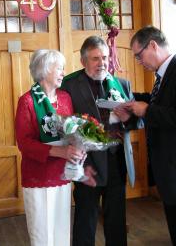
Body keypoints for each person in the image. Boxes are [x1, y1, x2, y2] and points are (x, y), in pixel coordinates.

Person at [62, 35, 139, 246]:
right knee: (86, 220)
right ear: (83, 61)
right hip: (88, 164)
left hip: (117, 162)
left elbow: (137, 123)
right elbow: (64, 129)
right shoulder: (69, 85)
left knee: (116, 220)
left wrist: (127, 119)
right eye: (95, 58)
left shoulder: (121, 83)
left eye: (105, 57)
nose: (102, 63)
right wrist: (82, 164)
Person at [15, 49, 85, 246]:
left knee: (62, 231)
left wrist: (79, 145)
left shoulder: (65, 98)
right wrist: (60, 151)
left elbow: (72, 131)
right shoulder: (27, 101)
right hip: (38, 176)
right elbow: (24, 143)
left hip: (62, 175)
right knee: (42, 235)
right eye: (59, 68)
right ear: (45, 70)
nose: (63, 72)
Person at [122, 26, 176, 245]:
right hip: (167, 170)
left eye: (138, 54)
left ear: (153, 45)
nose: (138, 61)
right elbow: (160, 102)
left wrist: (146, 110)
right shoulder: (163, 74)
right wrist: (131, 100)